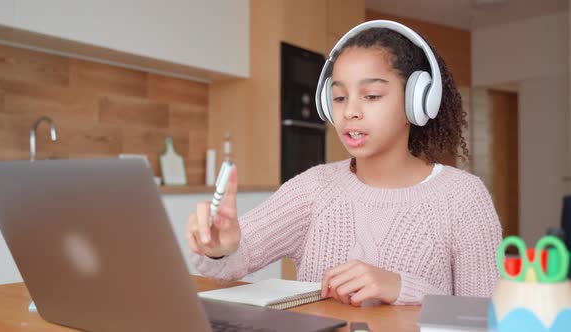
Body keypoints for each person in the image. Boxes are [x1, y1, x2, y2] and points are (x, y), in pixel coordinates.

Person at [185, 20, 502, 306]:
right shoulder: (314, 188)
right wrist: (220, 247)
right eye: (339, 98)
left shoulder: (463, 197)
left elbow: (486, 317)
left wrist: (401, 287)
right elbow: (234, 261)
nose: (350, 111)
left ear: (417, 101)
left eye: (372, 96)